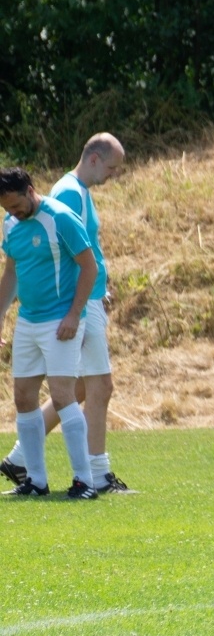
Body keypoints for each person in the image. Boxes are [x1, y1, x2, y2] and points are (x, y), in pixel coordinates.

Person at [1, 134, 129, 493]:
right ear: (93, 159)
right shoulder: (68, 193)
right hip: (61, 308)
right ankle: (86, 473)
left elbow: (85, 256)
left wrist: (95, 291)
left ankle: (35, 463)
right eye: (112, 167)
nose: (114, 174)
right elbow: (49, 257)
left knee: (78, 389)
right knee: (87, 387)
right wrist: (82, 305)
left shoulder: (73, 194)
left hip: (74, 305)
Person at [0, 166, 101, 499]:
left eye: (16, 205)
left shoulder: (61, 218)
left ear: (30, 190)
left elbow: (90, 267)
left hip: (61, 321)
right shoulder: (10, 225)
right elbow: (11, 273)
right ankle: (36, 481)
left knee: (61, 396)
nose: (13, 213)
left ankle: (85, 481)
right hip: (28, 321)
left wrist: (74, 315)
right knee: (24, 398)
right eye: (6, 209)